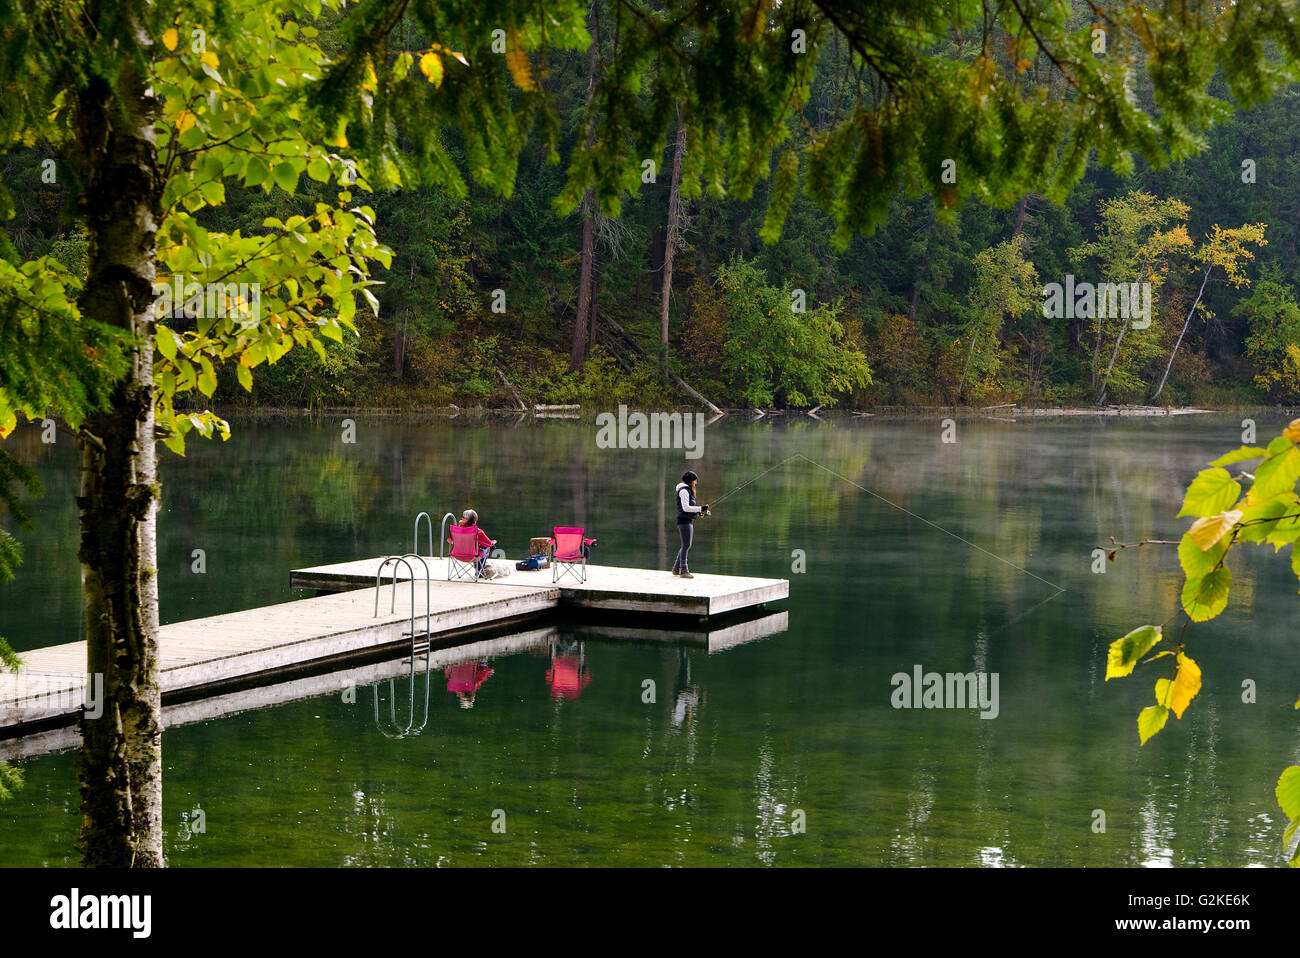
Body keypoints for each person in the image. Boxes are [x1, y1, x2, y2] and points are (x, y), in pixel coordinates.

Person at [671, 470, 709, 579]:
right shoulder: (684, 491)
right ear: (690, 481)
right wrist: (700, 508)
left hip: (687, 520)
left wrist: (699, 513)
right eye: (694, 480)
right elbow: (685, 508)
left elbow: (689, 509)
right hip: (684, 521)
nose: (696, 482)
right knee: (686, 545)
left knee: (685, 545)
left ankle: (676, 569)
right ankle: (683, 571)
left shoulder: (687, 490)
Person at [458, 509, 496, 577]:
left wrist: (460, 525)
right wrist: (493, 543)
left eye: (462, 517)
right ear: (474, 521)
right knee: (486, 548)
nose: (461, 518)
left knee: (476, 548)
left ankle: (478, 569)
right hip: (473, 556)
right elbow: (489, 543)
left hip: (458, 555)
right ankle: (479, 571)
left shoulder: (457, 530)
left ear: (464, 520)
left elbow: (451, 541)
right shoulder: (478, 532)